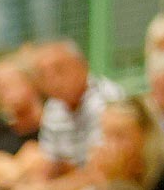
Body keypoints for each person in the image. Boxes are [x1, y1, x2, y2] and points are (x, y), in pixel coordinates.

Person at [34, 40, 121, 174]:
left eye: (60, 70)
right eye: (44, 75)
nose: (54, 81)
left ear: (83, 66)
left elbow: (102, 171)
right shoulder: (53, 107)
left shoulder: (107, 99)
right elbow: (50, 164)